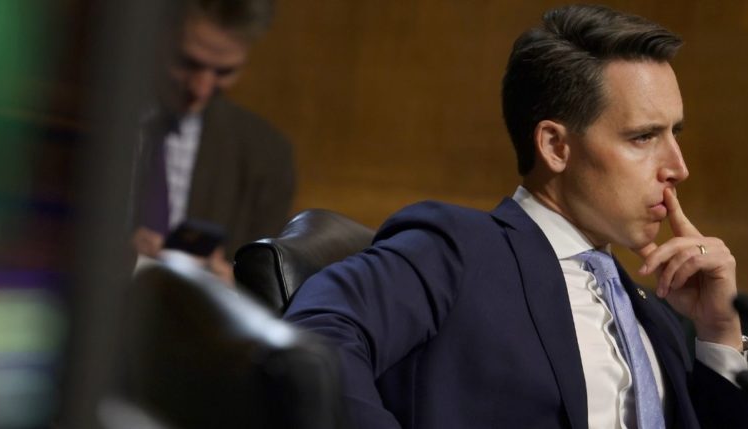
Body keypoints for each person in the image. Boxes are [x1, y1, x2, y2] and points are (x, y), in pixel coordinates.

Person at [284, 5, 748, 428]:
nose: (678, 168)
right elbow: (314, 340)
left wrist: (719, 334)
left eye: (674, 133)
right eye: (643, 137)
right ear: (555, 146)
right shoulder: (456, 250)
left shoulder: (659, 318)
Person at [130, 0, 295, 268]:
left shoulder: (267, 155)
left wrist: (232, 290)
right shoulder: (83, 117)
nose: (201, 90)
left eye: (224, 72)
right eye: (187, 63)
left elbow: (261, 288)